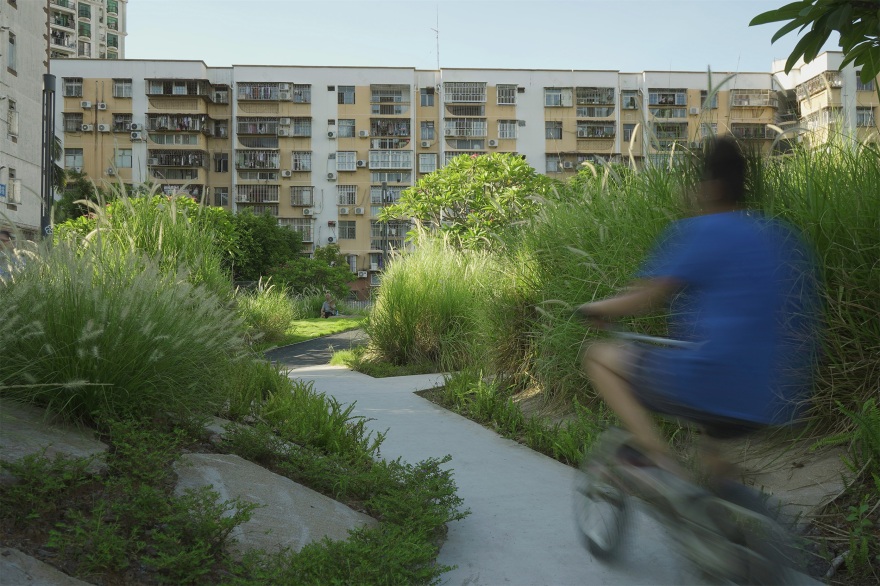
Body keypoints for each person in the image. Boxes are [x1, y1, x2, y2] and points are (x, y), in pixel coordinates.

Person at [576, 136, 820, 486]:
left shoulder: (702, 230)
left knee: (599, 356)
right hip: (774, 393)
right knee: (711, 444)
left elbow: (644, 298)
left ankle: (655, 454)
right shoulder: (780, 236)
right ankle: (727, 516)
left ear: (712, 186)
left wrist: (595, 307)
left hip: (710, 380)